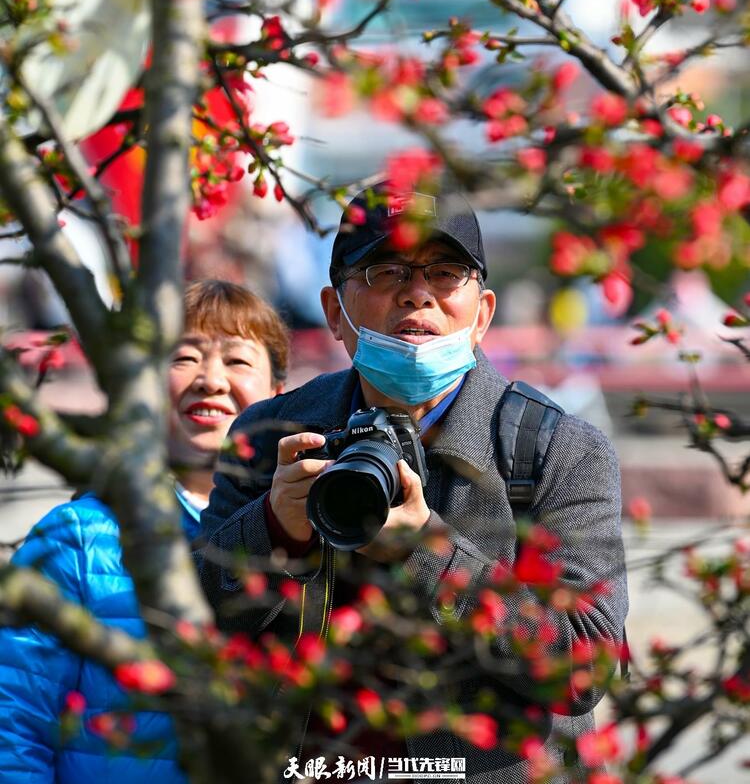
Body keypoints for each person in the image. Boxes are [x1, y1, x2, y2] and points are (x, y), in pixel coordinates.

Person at [198, 188, 628, 783]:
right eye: (386, 271)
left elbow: (585, 668)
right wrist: (272, 531)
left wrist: (426, 552)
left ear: (481, 314)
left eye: (446, 273)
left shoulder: (556, 451)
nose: (417, 293)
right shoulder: (272, 435)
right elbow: (191, 628)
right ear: (333, 311)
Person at [0, 279, 289, 783]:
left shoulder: (303, 534)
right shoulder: (79, 537)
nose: (211, 380)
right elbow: (14, 720)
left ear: (279, 396)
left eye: (238, 361)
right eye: (184, 358)